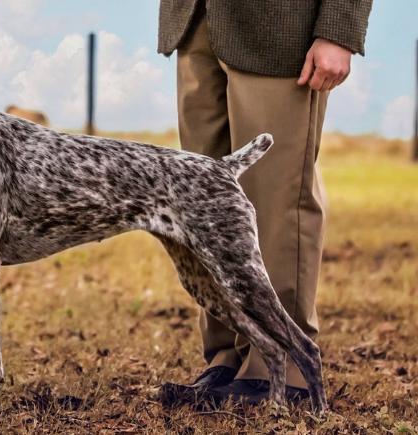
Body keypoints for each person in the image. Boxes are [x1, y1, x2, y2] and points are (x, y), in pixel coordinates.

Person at [158, 0, 373, 404]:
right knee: (206, 209)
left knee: (276, 200)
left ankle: (286, 370)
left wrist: (339, 29)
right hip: (194, 20)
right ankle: (227, 356)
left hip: (282, 28)